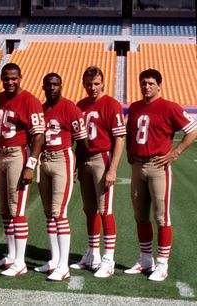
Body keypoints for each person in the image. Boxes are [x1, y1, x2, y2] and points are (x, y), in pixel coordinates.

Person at [125, 69, 197, 281]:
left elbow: (192, 130)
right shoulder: (135, 107)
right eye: (143, 83)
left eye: (150, 83)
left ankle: (162, 263)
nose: (146, 87)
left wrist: (174, 153)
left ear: (159, 85)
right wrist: (130, 152)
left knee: (161, 217)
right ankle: (146, 259)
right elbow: (130, 133)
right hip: (138, 165)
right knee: (140, 216)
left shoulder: (169, 107)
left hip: (158, 166)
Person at [0, 63, 45, 277]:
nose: (10, 82)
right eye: (6, 78)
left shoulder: (30, 100)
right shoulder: (0, 98)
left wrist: (31, 164)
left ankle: (20, 261)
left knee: (18, 209)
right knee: (5, 208)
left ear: (20, 77)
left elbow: (38, 136)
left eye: (14, 78)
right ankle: (12, 255)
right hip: (2, 153)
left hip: (18, 154)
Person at [72, 66, 126, 278]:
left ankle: (108, 259)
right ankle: (92, 254)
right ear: (83, 83)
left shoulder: (112, 104)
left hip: (102, 158)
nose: (92, 87)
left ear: (103, 83)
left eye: (96, 83)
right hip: (85, 159)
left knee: (105, 210)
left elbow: (120, 138)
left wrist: (112, 169)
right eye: (89, 83)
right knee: (89, 209)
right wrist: (76, 164)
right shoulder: (81, 104)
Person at [35, 73, 87, 281]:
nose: (52, 88)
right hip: (44, 158)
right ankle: (55, 260)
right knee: (49, 212)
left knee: (59, 212)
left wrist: (76, 165)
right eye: (48, 85)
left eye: (56, 84)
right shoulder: (40, 108)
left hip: (62, 157)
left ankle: (63, 266)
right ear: (43, 87)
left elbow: (82, 142)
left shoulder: (70, 108)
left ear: (61, 86)